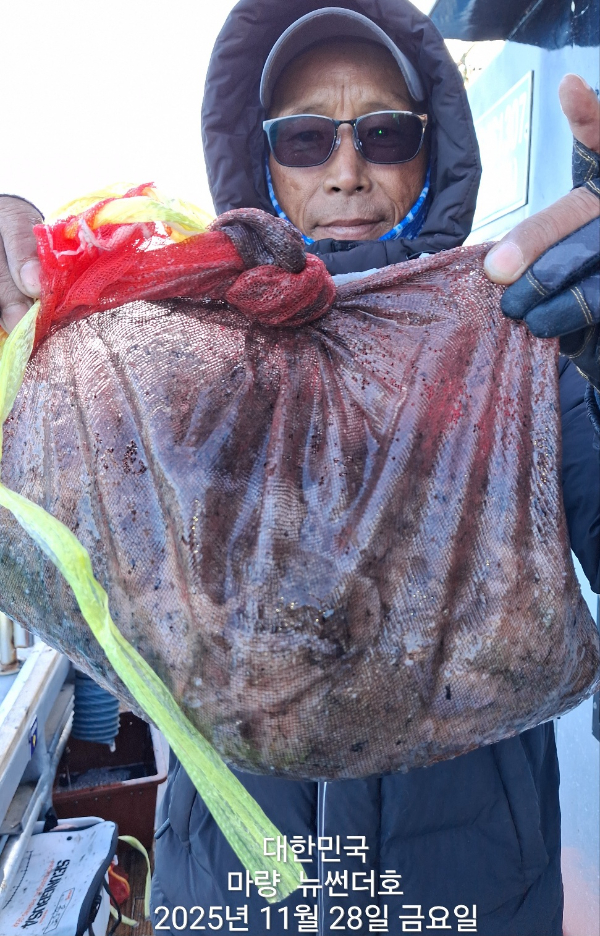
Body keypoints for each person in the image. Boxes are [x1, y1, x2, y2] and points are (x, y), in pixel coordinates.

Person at [1, 3, 599, 934]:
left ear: (433, 152)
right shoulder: (178, 371)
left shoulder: (521, 349)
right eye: (307, 138)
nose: (347, 171)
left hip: (474, 891)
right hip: (235, 891)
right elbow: (62, 537)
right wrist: (29, 343)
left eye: (386, 134)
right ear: (264, 159)